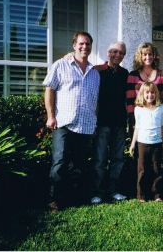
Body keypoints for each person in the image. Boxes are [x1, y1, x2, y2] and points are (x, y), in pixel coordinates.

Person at [43, 31, 100, 212]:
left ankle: (73, 198)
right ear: (74, 45)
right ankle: (54, 201)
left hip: (86, 124)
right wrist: (51, 116)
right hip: (64, 123)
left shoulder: (94, 73)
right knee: (59, 163)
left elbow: (95, 100)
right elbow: (49, 90)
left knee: (79, 165)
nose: (85, 47)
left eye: (88, 44)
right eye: (81, 44)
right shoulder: (60, 65)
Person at [90, 41, 129, 205]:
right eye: (114, 51)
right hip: (102, 122)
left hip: (119, 122)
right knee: (99, 159)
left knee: (117, 158)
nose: (117, 55)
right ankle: (97, 192)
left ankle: (114, 190)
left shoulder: (125, 73)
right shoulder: (97, 71)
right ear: (108, 53)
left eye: (120, 53)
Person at [129, 82, 163, 202]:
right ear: (142, 94)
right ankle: (142, 195)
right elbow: (137, 127)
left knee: (156, 169)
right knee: (142, 170)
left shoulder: (160, 108)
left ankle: (157, 194)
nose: (150, 95)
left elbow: (161, 126)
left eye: (152, 92)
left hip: (157, 143)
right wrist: (133, 144)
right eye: (147, 92)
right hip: (142, 143)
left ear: (156, 94)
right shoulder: (138, 109)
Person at [126, 42, 163, 136]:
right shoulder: (133, 75)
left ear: (154, 56)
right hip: (138, 120)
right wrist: (132, 118)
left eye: (150, 54)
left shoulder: (162, 76)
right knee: (138, 149)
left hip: (156, 120)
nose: (148, 57)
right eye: (144, 54)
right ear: (140, 56)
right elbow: (130, 100)